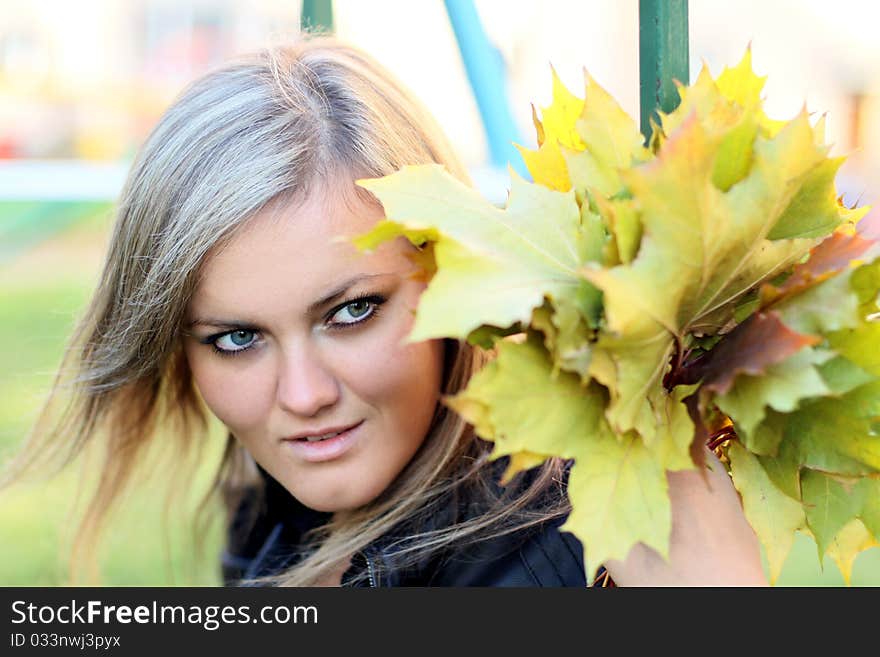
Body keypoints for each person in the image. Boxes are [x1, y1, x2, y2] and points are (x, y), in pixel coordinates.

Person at [4, 36, 768, 587]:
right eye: (238, 337)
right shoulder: (266, 518)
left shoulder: (552, 548)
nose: (302, 396)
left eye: (352, 311)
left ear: (450, 275)